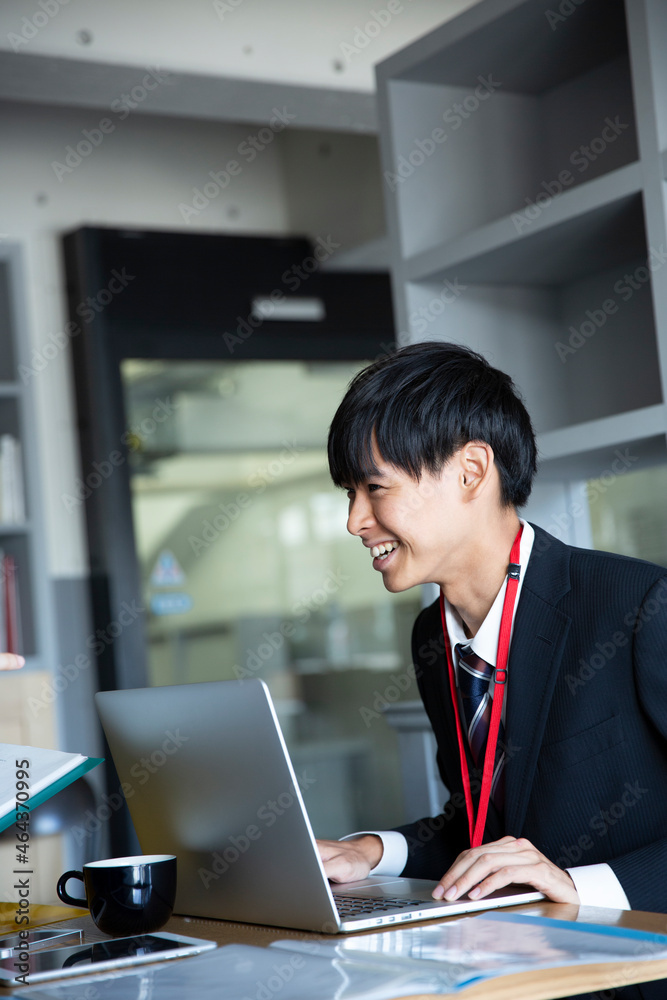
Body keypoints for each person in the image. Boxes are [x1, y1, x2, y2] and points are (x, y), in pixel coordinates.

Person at [316, 341, 667, 921]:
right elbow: (486, 826)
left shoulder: (638, 605)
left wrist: (579, 886)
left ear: (472, 471)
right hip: (520, 949)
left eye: (374, 488)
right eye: (350, 495)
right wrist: (374, 851)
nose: (354, 521)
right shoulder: (432, 637)